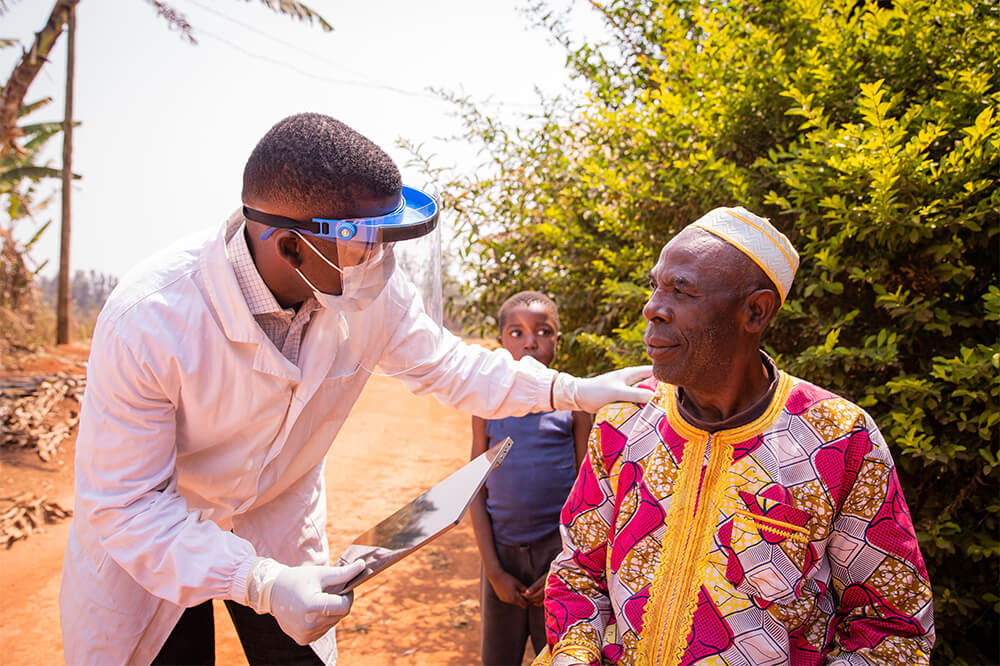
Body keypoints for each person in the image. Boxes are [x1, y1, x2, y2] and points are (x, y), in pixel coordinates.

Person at [58, 112, 654, 666]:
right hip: (155, 540)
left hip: (276, 522)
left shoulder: (359, 287)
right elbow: (129, 506)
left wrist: (572, 391)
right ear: (291, 246)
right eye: (364, 240)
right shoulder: (150, 319)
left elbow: (449, 366)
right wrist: (258, 581)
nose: (380, 259)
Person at [534, 207, 935, 666]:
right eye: (656, 286)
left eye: (681, 291)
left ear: (755, 311)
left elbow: (892, 629)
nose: (652, 308)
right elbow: (578, 576)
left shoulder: (840, 439)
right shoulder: (623, 421)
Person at [470, 291, 594, 666]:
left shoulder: (572, 404)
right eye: (516, 332)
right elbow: (474, 487)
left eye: (543, 331)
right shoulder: (486, 403)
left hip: (556, 560)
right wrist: (493, 571)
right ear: (501, 341)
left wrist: (562, 563)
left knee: (555, 655)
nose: (530, 341)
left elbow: (586, 492)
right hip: (501, 557)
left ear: (557, 340)